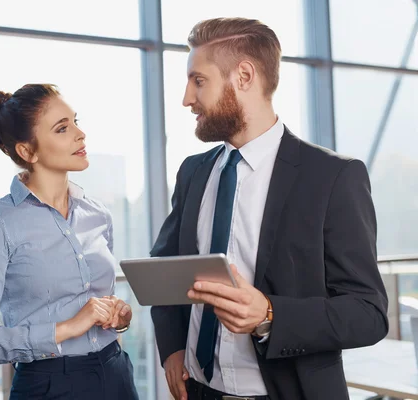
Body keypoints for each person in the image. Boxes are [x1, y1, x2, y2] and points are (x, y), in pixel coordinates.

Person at [150, 17, 388, 400]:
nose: (186, 98)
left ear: (244, 75)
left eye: (198, 81)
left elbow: (368, 313)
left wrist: (269, 315)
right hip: (199, 390)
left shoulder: (333, 176)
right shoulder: (193, 171)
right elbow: (165, 268)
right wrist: (173, 348)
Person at [0, 83, 139, 400]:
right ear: (28, 151)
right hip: (49, 385)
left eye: (75, 121)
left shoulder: (97, 214)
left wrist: (119, 318)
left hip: (116, 374)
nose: (80, 134)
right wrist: (68, 327)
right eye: (62, 128)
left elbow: (101, 307)